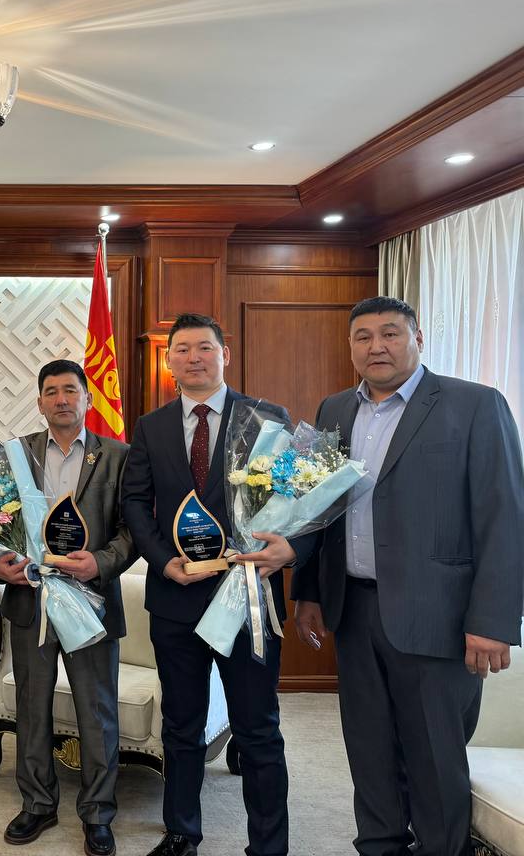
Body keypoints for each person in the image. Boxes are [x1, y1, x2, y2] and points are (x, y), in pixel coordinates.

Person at [290, 296, 524, 856]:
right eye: (363, 336)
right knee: (368, 748)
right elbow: (316, 510)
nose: (377, 346)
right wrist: (309, 592)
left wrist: (492, 621)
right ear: (351, 347)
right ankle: (379, 845)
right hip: (353, 609)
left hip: (439, 615)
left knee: (434, 754)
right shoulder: (333, 410)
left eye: (391, 333)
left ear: (418, 338)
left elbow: (505, 518)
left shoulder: (475, 405)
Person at [121, 313, 302, 856]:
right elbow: (136, 503)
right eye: (182, 349)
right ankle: (182, 833)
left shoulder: (266, 417)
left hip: (246, 597)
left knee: (257, 727)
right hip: (176, 599)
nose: (193, 357)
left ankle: (268, 845)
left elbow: (293, 499)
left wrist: (281, 547)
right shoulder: (151, 426)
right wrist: (163, 562)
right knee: (181, 725)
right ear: (169, 360)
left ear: (225, 354)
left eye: (204, 347)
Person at [0, 359, 135, 856]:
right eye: (51, 391)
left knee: (97, 710)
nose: (61, 399)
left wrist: (100, 562)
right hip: (31, 598)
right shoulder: (14, 455)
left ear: (87, 398)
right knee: (32, 707)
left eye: (70, 390)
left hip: (91, 601)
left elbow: (133, 530)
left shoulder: (118, 456)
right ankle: (37, 804)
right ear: (39, 402)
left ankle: (98, 813)